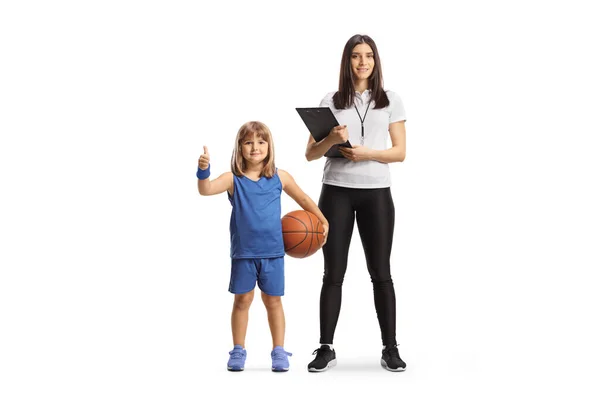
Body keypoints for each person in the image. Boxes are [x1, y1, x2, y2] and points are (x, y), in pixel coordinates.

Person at [304, 34, 407, 372]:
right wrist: (332, 138)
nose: (363, 62)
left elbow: (400, 152)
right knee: (333, 273)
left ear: (376, 61)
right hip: (335, 191)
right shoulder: (330, 100)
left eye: (368, 56)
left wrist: (367, 154)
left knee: (382, 273)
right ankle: (325, 347)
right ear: (346, 62)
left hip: (377, 192)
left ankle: (390, 348)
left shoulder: (390, 100)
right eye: (355, 56)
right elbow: (310, 154)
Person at [197, 121, 329, 372]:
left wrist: (322, 219)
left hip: (274, 253)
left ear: (269, 146)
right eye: (248, 142)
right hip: (244, 253)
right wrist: (203, 171)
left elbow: (302, 198)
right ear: (239, 148)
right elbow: (206, 190)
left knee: (273, 302)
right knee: (242, 301)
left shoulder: (280, 176)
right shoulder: (232, 179)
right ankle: (238, 350)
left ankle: (279, 351)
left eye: (260, 141)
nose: (255, 147)